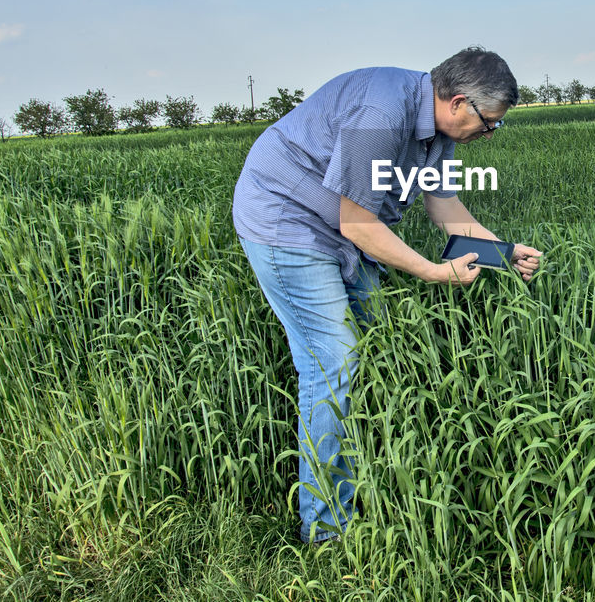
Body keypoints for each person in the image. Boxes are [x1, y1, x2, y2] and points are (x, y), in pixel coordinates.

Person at [232, 46, 541, 542]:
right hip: (286, 218)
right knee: (335, 360)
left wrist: (501, 253)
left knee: (381, 342)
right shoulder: (381, 113)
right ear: (459, 102)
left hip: (345, 224)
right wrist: (432, 272)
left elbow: (444, 205)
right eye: (490, 123)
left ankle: (377, 475)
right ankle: (327, 528)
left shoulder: (439, 133)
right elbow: (356, 222)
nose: (490, 133)